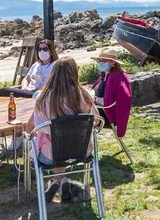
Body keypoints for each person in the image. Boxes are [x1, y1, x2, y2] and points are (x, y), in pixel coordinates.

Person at [31, 57, 98, 202]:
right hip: (82, 151)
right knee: (62, 148)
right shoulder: (84, 96)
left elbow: (36, 128)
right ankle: (59, 181)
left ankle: (58, 181)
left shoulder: (43, 99)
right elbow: (97, 120)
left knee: (48, 147)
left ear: (53, 74)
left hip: (52, 155)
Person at [91, 50, 132, 143]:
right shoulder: (104, 75)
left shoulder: (115, 76)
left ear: (112, 62)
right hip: (99, 109)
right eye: (100, 61)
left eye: (104, 61)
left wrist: (94, 99)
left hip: (108, 114)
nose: (101, 63)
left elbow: (111, 102)